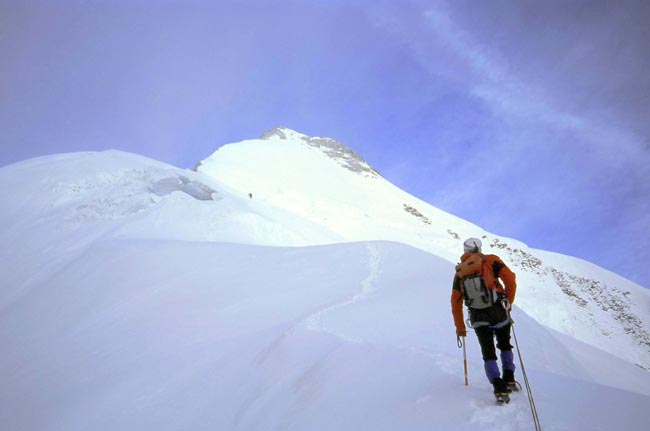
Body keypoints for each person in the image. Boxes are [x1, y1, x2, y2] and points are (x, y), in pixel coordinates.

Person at [451, 237, 517, 397]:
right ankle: (509, 378)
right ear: (479, 249)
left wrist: (460, 328)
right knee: (505, 344)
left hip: (477, 315)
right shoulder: (492, 260)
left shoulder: (460, 272)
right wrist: (508, 302)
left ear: (465, 251)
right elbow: (510, 280)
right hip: (498, 310)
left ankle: (498, 386)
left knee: (488, 351)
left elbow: (455, 302)